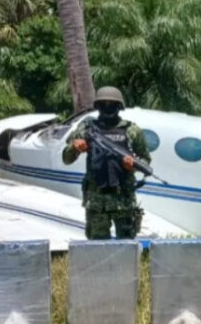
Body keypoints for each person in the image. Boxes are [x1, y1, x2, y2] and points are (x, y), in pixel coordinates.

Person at [62, 87, 151, 240]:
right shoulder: (88, 128)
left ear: (119, 107)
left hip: (124, 200)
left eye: (112, 104)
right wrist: (75, 148)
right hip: (97, 201)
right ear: (98, 106)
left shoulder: (131, 130)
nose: (108, 107)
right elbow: (66, 158)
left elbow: (146, 160)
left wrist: (133, 165)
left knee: (127, 247)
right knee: (98, 249)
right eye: (104, 104)